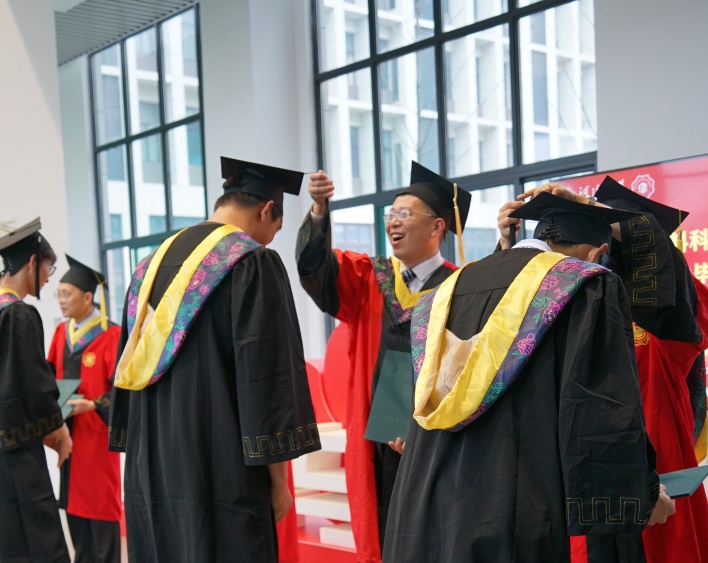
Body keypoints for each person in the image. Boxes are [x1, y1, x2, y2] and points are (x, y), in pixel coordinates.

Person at [384, 192, 673, 563]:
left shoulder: (441, 294)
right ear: (598, 252)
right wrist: (641, 498)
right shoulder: (587, 286)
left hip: (423, 511)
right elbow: (600, 412)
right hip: (511, 514)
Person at [109, 157, 321, 562]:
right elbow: (267, 377)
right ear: (266, 210)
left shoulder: (148, 267)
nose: (269, 240)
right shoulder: (251, 261)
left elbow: (128, 366)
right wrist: (279, 481)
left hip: (150, 464)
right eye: (275, 229)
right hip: (221, 469)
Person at [500, 178, 708, 563]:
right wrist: (508, 247)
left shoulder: (659, 322)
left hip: (646, 475)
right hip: (562, 475)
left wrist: (589, 206)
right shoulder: (556, 310)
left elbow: (667, 277)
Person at [296, 161, 471, 563]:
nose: (394, 221)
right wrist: (320, 211)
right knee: (381, 529)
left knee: (432, 535)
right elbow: (317, 271)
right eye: (391, 214)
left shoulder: (462, 286)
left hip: (434, 440)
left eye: (405, 214)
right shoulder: (368, 277)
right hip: (375, 440)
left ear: (437, 227)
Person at [0, 217, 72, 562]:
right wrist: (59, 431)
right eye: (48, 268)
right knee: (38, 543)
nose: (48, 277)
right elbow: (34, 387)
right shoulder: (18, 314)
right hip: (18, 456)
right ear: (32, 261)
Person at [47, 255, 122, 562]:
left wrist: (92, 404)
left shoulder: (112, 335)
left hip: (97, 439)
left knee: (101, 511)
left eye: (67, 294)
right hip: (69, 438)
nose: (61, 300)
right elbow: (48, 379)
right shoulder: (61, 334)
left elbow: (123, 391)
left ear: (88, 297)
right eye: (58, 294)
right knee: (76, 519)